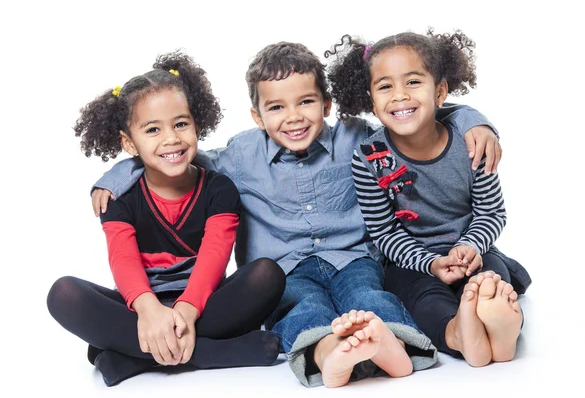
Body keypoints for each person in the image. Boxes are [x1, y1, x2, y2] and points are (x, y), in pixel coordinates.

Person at [90, 42, 502, 387]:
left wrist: (473, 119)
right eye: (276, 107)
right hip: (286, 271)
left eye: (306, 102)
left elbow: (412, 118)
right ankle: (327, 353)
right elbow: (174, 155)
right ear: (257, 116)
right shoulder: (239, 155)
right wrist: (117, 173)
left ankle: (394, 344)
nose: (293, 117)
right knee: (299, 308)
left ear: (326, 104)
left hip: (352, 258)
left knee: (370, 296)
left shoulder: (355, 138)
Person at [46, 51, 286, 387]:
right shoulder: (118, 197)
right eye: (153, 129)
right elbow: (123, 258)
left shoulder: (218, 188)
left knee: (268, 275)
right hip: (141, 305)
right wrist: (149, 310)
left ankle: (129, 357)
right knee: (63, 294)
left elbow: (215, 256)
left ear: (197, 125)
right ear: (129, 143)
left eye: (181, 124)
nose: (171, 138)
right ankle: (210, 353)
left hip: (203, 303)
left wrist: (186, 310)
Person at [325, 30, 530, 367]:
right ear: (371, 99)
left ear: (440, 91)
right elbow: (384, 233)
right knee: (422, 298)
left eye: (413, 82)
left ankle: (501, 328)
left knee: (490, 280)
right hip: (410, 261)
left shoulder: (473, 143)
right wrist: (429, 263)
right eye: (385, 86)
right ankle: (457, 334)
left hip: (471, 251)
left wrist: (471, 246)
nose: (399, 96)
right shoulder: (368, 157)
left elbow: (491, 212)